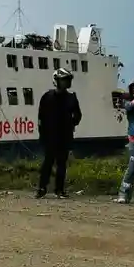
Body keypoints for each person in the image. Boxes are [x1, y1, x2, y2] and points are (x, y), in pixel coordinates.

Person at [37, 68, 83, 198]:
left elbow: (78, 115)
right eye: (63, 80)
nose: (66, 83)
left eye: (67, 80)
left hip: (65, 136)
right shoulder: (47, 97)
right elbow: (41, 117)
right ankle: (42, 188)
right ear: (56, 81)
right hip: (50, 136)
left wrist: (71, 124)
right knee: (47, 163)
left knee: (61, 164)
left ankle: (59, 190)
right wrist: (42, 135)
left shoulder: (71, 97)